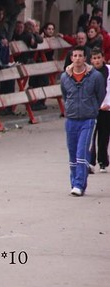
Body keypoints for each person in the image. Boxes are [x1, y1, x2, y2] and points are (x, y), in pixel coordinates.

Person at [60, 45, 105, 196]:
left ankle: (79, 184)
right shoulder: (65, 77)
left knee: (82, 151)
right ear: (71, 58)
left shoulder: (95, 77)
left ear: (85, 58)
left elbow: (100, 94)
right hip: (71, 119)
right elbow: (65, 95)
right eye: (75, 56)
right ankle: (75, 183)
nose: (78, 59)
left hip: (88, 119)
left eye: (80, 56)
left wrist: (92, 109)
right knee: (72, 153)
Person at [89, 48, 110, 173]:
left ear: (103, 58)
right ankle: (90, 161)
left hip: (106, 108)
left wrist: (107, 104)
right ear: (91, 60)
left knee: (104, 135)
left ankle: (103, 161)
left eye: (99, 58)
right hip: (92, 108)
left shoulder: (108, 70)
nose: (97, 61)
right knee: (91, 135)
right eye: (94, 58)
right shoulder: (89, 72)